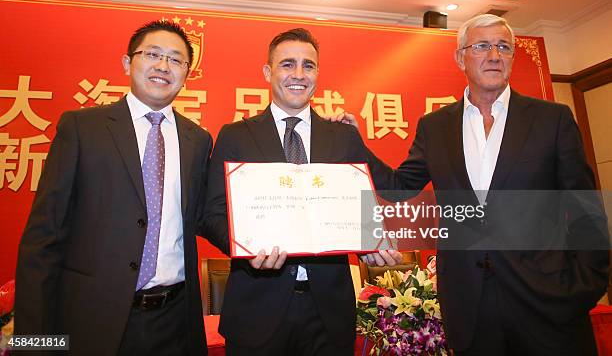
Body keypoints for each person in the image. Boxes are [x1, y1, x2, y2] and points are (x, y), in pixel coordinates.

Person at [342, 13, 609, 355]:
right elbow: (399, 186)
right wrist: (355, 142)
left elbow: (586, 209)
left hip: (548, 302)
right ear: (460, 58)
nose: (494, 55)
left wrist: (585, 286)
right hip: (469, 305)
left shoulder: (551, 119)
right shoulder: (436, 126)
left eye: (503, 47)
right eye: (482, 46)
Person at [15, 20, 223, 355]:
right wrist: (31, 345)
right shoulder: (83, 128)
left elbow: (204, 216)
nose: (162, 66)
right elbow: (43, 239)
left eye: (175, 59)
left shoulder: (197, 140)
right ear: (128, 63)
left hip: (174, 321)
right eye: (152, 54)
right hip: (92, 319)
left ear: (187, 74)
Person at [203, 28, 403, 356]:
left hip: (329, 312)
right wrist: (246, 248)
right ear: (268, 72)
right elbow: (210, 213)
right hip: (257, 307)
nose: (298, 74)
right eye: (287, 64)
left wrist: (371, 239)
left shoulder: (343, 137)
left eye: (308, 66)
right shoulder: (235, 136)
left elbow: (380, 198)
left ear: (318, 74)